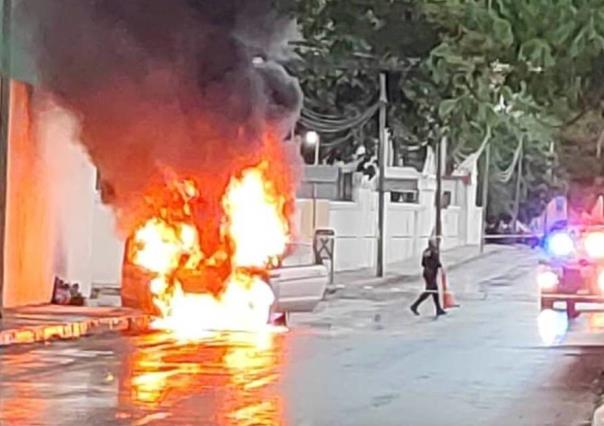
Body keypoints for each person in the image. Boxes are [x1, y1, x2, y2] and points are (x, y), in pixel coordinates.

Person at [411, 238, 446, 316]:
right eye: (436, 242)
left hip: (427, 273)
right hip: (430, 274)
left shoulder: (427, 251)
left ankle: (438, 309)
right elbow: (436, 263)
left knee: (434, 291)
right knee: (430, 290)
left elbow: (423, 263)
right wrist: (439, 266)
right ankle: (415, 305)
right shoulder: (433, 251)